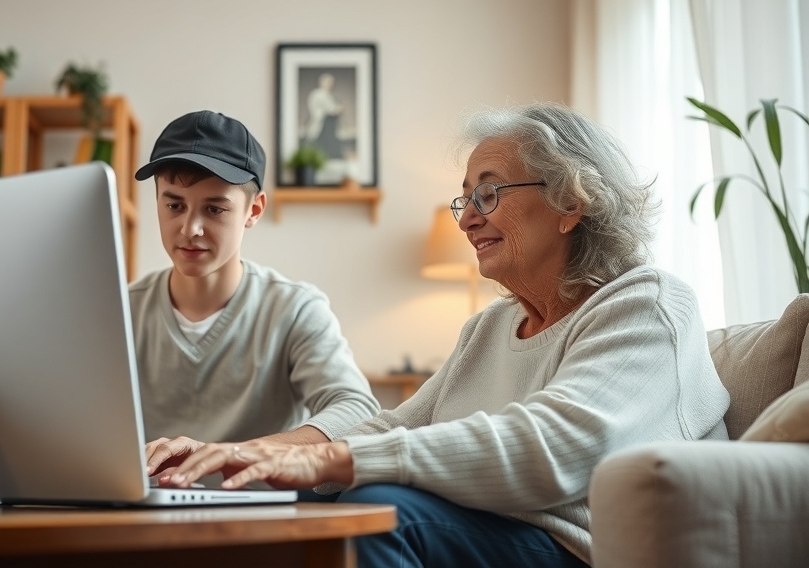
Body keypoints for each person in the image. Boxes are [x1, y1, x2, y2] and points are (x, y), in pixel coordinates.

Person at [145, 103, 730, 567]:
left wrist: (335, 461)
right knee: (279, 510)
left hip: (579, 548)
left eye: (490, 194)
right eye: (466, 199)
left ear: (570, 202)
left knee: (377, 511)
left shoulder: (645, 304)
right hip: (490, 530)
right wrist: (251, 456)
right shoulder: (491, 328)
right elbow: (395, 426)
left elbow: (550, 447)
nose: (468, 217)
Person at [132, 110, 380, 451]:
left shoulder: (294, 309)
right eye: (174, 206)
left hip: (261, 501)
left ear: (254, 210)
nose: (190, 229)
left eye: (214, 209)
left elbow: (358, 412)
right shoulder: (120, 310)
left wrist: (237, 454)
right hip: (139, 501)